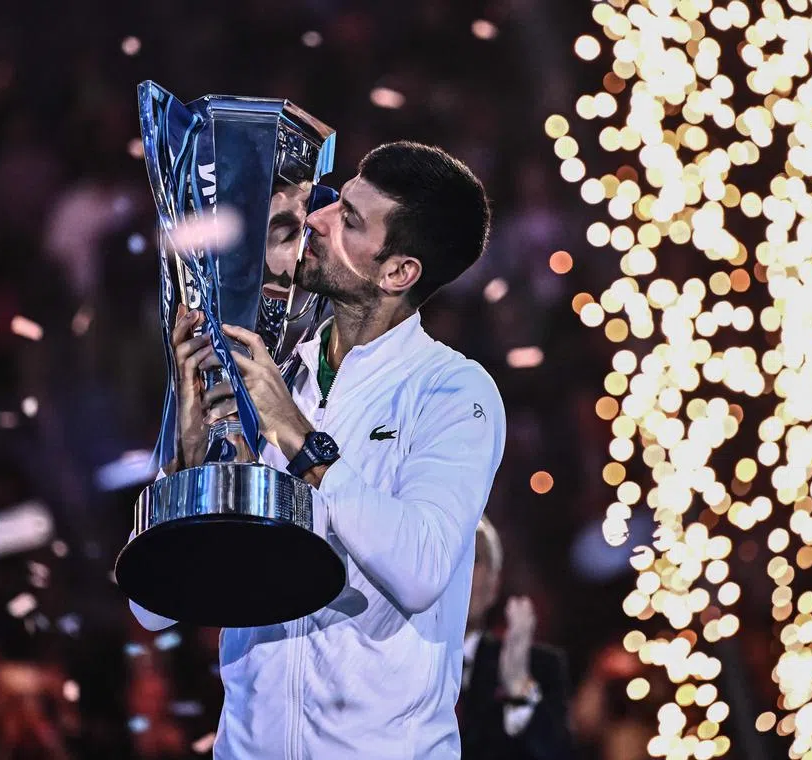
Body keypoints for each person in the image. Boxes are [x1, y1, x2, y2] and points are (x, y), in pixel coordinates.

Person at [129, 141, 506, 759]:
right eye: (336, 204)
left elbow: (420, 569)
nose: (316, 220)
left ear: (397, 273)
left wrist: (300, 437)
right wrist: (186, 467)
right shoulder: (267, 370)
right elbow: (153, 609)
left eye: (350, 221)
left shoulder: (453, 392)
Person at [458, 517, 572, 760]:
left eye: (473, 559)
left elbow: (556, 754)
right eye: (452, 559)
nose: (459, 572)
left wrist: (519, 685)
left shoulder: (540, 667)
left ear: (494, 584)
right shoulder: (392, 659)